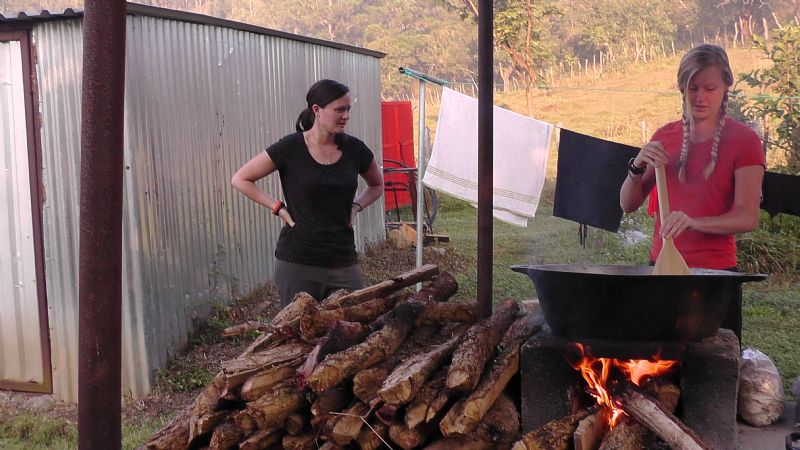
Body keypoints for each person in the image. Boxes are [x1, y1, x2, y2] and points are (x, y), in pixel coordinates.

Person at [619, 44, 765, 342]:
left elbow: (747, 217)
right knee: (658, 359)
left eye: (710, 88)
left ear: (726, 86)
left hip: (715, 278)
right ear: (681, 88)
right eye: (693, 87)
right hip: (662, 271)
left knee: (712, 359)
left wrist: (693, 221)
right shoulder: (665, 136)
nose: (700, 97)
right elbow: (627, 204)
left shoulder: (744, 141)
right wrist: (636, 166)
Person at [232, 79, 383, 306]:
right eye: (339, 110)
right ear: (317, 110)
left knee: (351, 323)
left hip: (342, 261)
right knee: (298, 326)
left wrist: (356, 206)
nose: (346, 116)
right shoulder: (290, 148)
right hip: (298, 262)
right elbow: (241, 179)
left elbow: (377, 185)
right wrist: (277, 207)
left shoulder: (356, 150)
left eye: (348, 109)